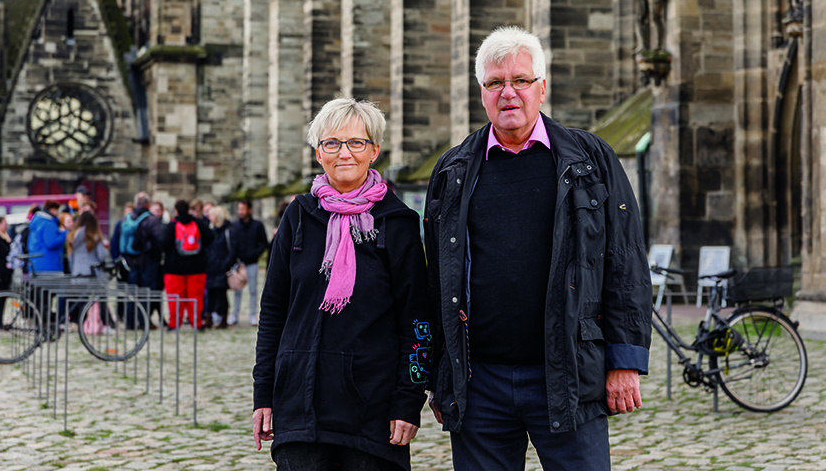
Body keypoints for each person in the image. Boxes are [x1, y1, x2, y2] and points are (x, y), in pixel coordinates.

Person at [423, 27, 652, 471]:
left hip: (568, 373)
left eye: (521, 80)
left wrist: (625, 360)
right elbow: (436, 280)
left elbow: (625, 259)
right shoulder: (452, 169)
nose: (508, 92)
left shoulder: (590, 160)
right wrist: (441, 374)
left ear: (541, 88)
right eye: (495, 83)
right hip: (480, 382)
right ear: (482, 93)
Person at [252, 98, 431, 471]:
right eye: (331, 143)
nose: (343, 153)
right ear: (319, 154)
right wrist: (263, 393)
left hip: (372, 413)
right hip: (300, 408)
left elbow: (417, 321)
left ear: (374, 151)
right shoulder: (298, 216)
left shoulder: (397, 223)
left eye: (356, 143)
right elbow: (273, 312)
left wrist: (408, 398)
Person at [161, 199, 214, 330]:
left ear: (176, 210)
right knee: (196, 298)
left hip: (174, 268)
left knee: (175, 299)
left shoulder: (171, 225)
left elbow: (163, 244)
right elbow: (210, 237)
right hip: (197, 267)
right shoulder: (198, 223)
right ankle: (197, 323)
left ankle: (174, 324)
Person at [122, 192, 164, 329]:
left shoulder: (127, 218)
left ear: (135, 203)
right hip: (148, 261)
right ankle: (143, 322)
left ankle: (129, 322)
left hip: (131, 260)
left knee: (131, 292)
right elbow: (159, 239)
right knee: (146, 292)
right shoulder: (151, 220)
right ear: (147, 204)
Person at [228, 199, 268, 326]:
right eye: (239, 209)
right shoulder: (234, 225)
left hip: (252, 262)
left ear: (249, 210)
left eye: (243, 209)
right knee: (237, 289)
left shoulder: (257, 225)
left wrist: (255, 254)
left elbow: (264, 243)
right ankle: (235, 314)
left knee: (252, 290)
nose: (241, 212)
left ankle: (252, 314)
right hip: (238, 263)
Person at [205, 205, 235, 329]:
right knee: (210, 294)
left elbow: (233, 249)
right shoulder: (211, 231)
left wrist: (225, 264)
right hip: (211, 267)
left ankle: (223, 318)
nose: (209, 217)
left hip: (222, 267)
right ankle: (209, 318)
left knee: (221, 294)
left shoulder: (228, 230)